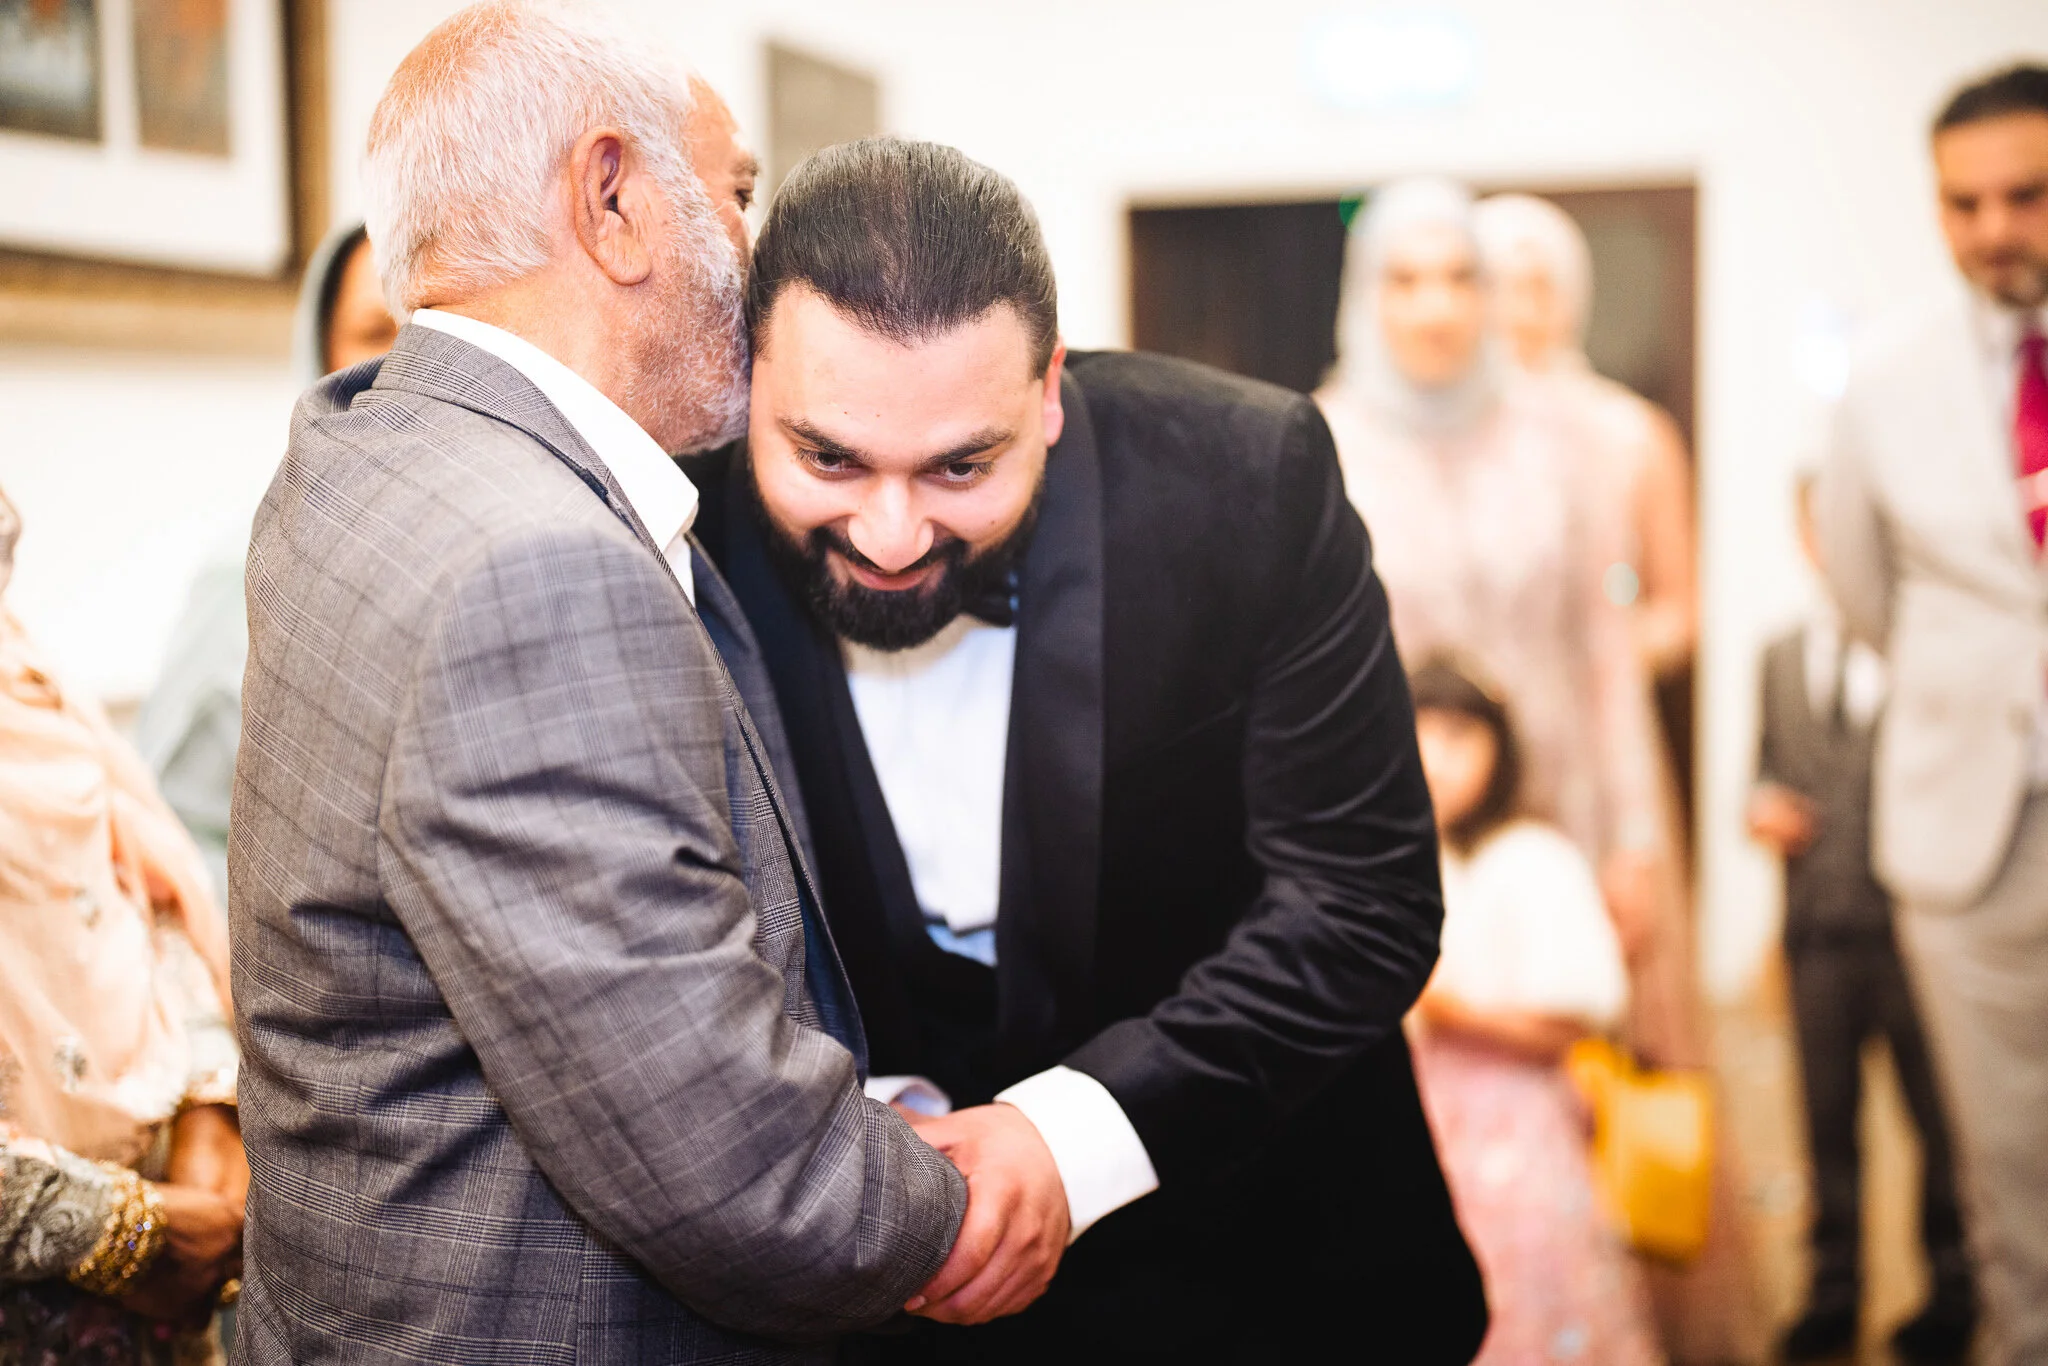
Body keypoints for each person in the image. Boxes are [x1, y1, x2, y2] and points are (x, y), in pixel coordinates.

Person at [229, 8, 967, 1362]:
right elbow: (743, 1177)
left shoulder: (361, 444)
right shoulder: (538, 568)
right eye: (738, 196)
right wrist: (974, 1196)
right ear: (613, 200)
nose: (760, 255)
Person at [686, 136, 1487, 1364]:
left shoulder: (1245, 476)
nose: (890, 536)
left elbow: (1362, 900)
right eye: (828, 457)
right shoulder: (677, 519)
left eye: (961, 465)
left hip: (1259, 1254)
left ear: (1048, 390)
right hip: (882, 1305)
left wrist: (1071, 1139)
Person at [1317, 177, 1758, 1362]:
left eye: (1459, 276)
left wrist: (1631, 841)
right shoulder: (1321, 441)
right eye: (1405, 279)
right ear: (1363, 293)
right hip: (1402, 831)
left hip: (1558, 819)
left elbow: (1606, 657)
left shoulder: (1560, 442)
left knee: (1590, 1092)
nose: (1436, 307)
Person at [1816, 62, 2048, 1366]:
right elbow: (1863, 590)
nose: (1992, 228)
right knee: (2006, 1170)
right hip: (1973, 824)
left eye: (2027, 195)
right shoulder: (1885, 375)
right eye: (1963, 203)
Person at [0, 482, 247, 1364]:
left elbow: (144, 888)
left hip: (157, 1292)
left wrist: (210, 1105)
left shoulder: (25, 670)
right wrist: (127, 1233)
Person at [1750, 476, 1975, 1364]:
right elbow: (1764, 770)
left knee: (1940, 1124)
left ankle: (1953, 1291)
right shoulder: (1777, 657)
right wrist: (1761, 809)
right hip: (1816, 935)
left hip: (1915, 932)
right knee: (1825, 1125)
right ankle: (1832, 1294)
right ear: (1805, 537)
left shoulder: (1927, 653)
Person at [1405, 657, 1662, 1366]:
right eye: (1421, 734)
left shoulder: (1534, 858)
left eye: (1459, 737)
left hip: (1521, 1128)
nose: (1437, 760)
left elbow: (1572, 1019)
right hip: (1421, 1125)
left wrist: (1453, 1013)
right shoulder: (1389, 865)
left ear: (1499, 750)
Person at [134, 221, 395, 900]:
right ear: (321, 351)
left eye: (430, 335)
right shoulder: (254, 565)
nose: (407, 365)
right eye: (376, 332)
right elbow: (169, 829)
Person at [1473, 193, 1699, 689]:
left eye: (1540, 287)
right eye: (1498, 287)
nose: (1522, 311)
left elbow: (1679, 610)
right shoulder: (1443, 437)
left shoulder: (1633, 433)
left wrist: (1604, 656)